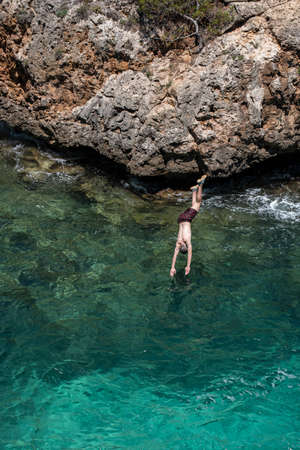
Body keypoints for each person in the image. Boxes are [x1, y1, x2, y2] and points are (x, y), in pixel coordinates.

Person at [170, 175, 207, 277]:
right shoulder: (178, 242)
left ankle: (201, 184)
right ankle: (194, 190)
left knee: (198, 203)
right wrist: (172, 267)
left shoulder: (187, 241)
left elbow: (190, 254)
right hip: (181, 218)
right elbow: (175, 255)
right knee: (193, 206)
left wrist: (188, 266)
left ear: (185, 247)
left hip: (186, 218)